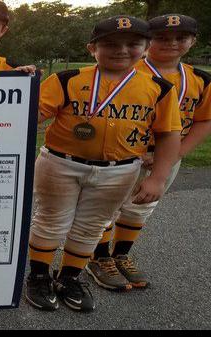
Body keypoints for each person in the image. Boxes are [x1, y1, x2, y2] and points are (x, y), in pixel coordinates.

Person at [25, 16, 182, 312]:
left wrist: (158, 178)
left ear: (146, 47)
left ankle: (69, 277)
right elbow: (29, 115)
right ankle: (38, 276)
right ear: (91, 48)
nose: (121, 50)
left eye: (133, 44)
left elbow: (169, 134)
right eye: (110, 44)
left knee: (91, 227)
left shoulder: (159, 88)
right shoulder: (67, 79)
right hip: (61, 163)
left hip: (120, 169)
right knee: (50, 220)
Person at [88, 14, 211, 290]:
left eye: (181, 38)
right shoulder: (127, 73)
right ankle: (98, 257)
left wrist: (174, 155)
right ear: (147, 42)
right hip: (122, 154)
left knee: (141, 207)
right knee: (106, 208)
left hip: (166, 156)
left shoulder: (199, 79)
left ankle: (120, 255)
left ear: (193, 41)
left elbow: (204, 119)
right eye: (162, 38)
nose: (172, 43)